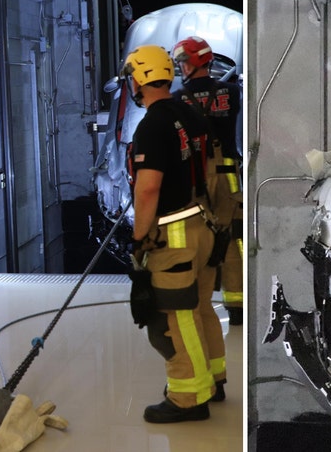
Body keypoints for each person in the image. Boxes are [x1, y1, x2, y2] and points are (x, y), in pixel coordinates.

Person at [125, 45, 225, 423]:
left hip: (174, 233)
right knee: (200, 309)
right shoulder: (191, 113)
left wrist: (138, 238)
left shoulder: (151, 125)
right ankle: (213, 380)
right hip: (203, 225)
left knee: (174, 318)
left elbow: (148, 188)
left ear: (138, 79)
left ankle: (188, 397)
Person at [171, 36, 244, 326]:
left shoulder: (177, 99)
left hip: (194, 177)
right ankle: (236, 307)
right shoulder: (232, 91)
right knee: (231, 241)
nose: (180, 67)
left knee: (193, 237)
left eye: (182, 62)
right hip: (228, 177)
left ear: (191, 63)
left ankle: (194, 300)